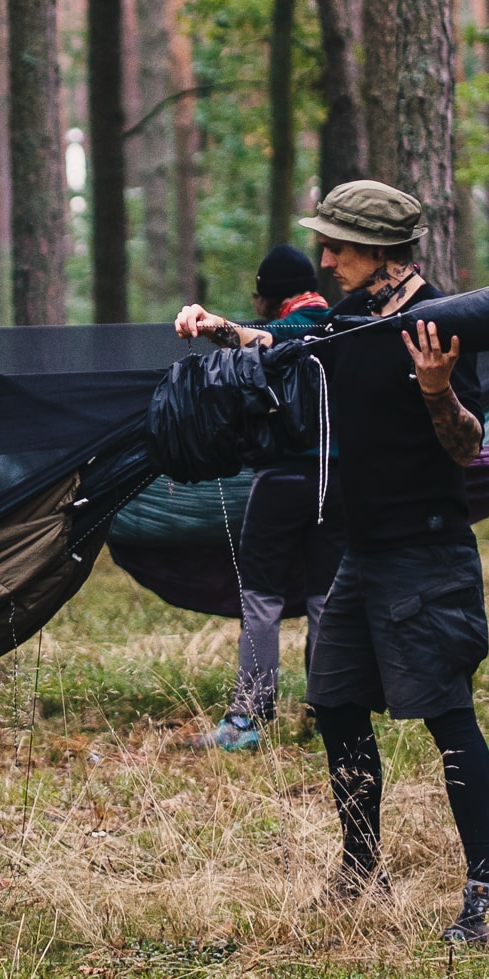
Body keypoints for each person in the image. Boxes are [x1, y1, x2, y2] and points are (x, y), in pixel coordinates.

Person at [292, 179, 489, 947]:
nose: (325, 260)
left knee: (448, 715)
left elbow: (469, 446)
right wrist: (221, 331)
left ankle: (485, 894)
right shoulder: (350, 320)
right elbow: (284, 343)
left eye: (336, 247)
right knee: (335, 700)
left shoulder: (438, 325)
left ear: (379, 251)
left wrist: (438, 391)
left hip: (428, 554)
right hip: (364, 552)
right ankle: (361, 870)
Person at [171, 246, 338, 752]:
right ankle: (330, 712)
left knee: (262, 597)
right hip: (338, 482)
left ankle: (246, 721)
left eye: (257, 294)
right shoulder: (345, 327)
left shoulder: (288, 330)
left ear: (270, 295)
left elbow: (264, 339)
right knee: (326, 597)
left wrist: (212, 324)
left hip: (282, 481)